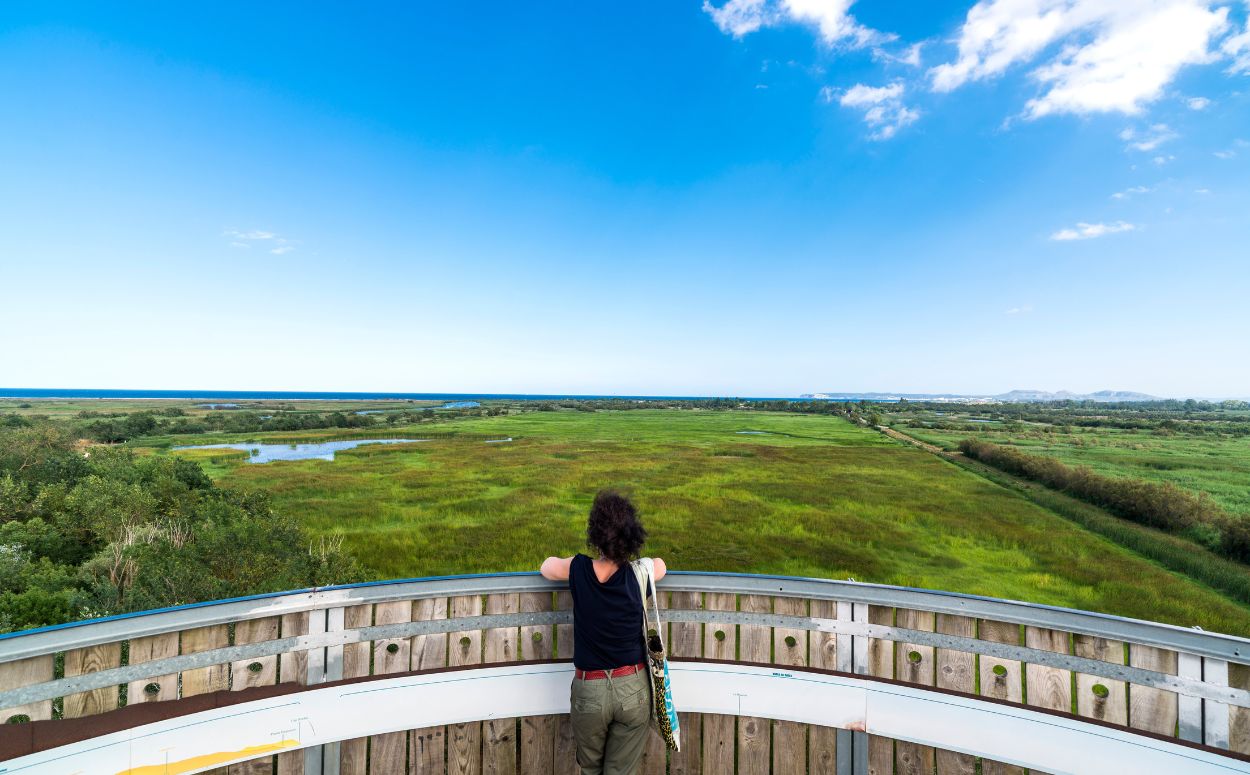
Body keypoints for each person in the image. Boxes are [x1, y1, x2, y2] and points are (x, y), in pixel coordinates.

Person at [540, 490, 667, 775]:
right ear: (632, 535)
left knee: (590, 771)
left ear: (595, 533)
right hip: (632, 685)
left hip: (590, 688)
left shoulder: (578, 568)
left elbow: (546, 566)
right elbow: (661, 565)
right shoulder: (639, 573)